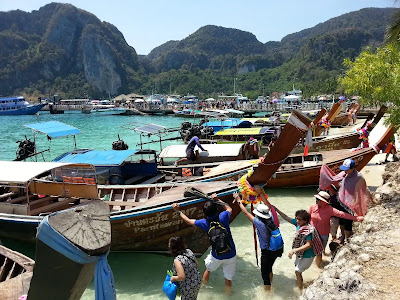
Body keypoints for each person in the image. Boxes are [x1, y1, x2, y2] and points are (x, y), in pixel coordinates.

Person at [172, 194, 237, 294]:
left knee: (208, 269)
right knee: (228, 279)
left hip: (216, 255)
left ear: (205, 214)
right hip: (231, 252)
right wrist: (217, 199)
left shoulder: (205, 223)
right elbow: (229, 208)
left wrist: (178, 211)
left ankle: (203, 289)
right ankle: (228, 295)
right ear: (216, 210)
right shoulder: (223, 217)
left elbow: (189, 221)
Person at [234, 187, 283, 291]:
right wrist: (260, 193)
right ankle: (271, 286)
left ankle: (267, 294)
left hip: (267, 251)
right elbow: (269, 206)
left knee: (264, 274)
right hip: (276, 249)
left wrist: (239, 201)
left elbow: (246, 213)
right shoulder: (272, 219)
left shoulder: (259, 223)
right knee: (269, 268)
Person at [308, 190, 364, 268]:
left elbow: (342, 214)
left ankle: (318, 268)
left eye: (318, 199)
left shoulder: (330, 210)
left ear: (324, 201)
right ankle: (312, 265)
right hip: (312, 234)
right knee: (309, 251)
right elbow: (307, 219)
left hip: (323, 235)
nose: (316, 200)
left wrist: (356, 218)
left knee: (319, 253)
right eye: (316, 199)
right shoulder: (312, 207)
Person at [273, 207, 323, 290]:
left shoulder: (308, 229)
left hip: (308, 254)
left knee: (297, 271)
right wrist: (276, 209)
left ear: (305, 221)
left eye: (299, 220)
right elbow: (285, 217)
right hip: (301, 252)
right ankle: (300, 283)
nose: (297, 221)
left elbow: (309, 244)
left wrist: (294, 250)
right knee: (296, 267)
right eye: (296, 219)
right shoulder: (298, 224)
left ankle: (300, 290)